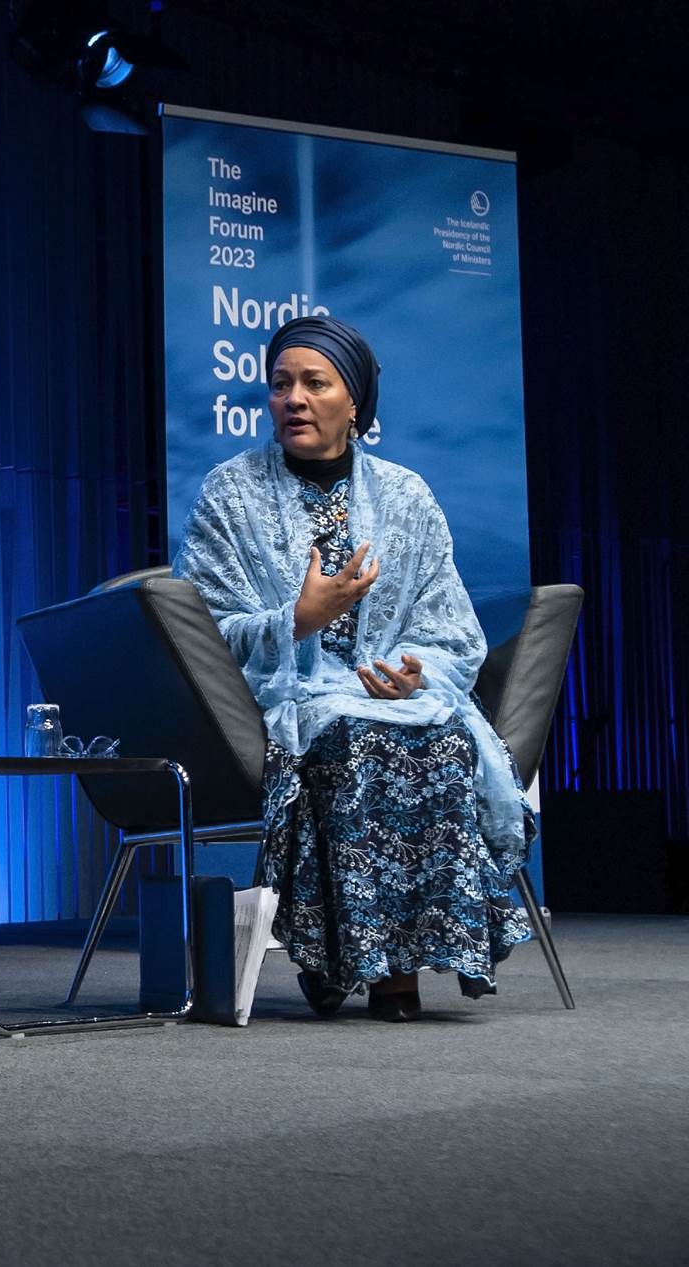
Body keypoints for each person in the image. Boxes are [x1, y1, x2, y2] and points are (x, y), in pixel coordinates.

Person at [174, 314, 533, 1021]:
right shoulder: (229, 491)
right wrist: (295, 621)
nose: (294, 399)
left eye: (314, 383)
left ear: (356, 404)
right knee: (348, 735)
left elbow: (452, 629)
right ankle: (349, 957)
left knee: (442, 739)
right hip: (282, 697)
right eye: (281, 385)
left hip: (391, 695)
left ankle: (396, 968)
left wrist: (414, 670)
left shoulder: (407, 497)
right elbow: (205, 635)